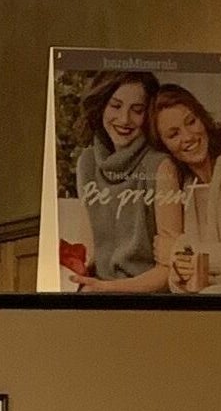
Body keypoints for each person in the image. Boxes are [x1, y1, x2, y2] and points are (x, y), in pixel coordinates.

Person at [70, 72, 167, 293]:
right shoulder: (87, 162)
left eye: (137, 110)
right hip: (100, 295)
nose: (124, 119)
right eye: (115, 106)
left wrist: (107, 289)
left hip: (146, 299)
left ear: (149, 114)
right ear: (101, 106)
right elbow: (91, 248)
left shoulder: (160, 165)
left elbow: (167, 270)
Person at [151, 84, 221, 295]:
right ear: (164, 146)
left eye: (191, 122)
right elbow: (177, 281)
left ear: (202, 118)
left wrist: (181, 252)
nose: (188, 137)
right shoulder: (186, 185)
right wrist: (180, 273)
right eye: (173, 134)